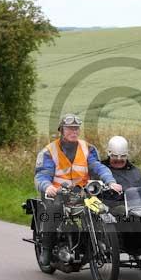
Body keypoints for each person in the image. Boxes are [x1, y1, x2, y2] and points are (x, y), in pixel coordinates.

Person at [34, 114, 122, 266]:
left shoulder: (87, 148)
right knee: (54, 211)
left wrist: (111, 181)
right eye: (70, 128)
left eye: (76, 128)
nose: (73, 131)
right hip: (57, 194)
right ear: (61, 130)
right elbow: (42, 175)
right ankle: (47, 249)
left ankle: (96, 243)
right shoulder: (50, 151)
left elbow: (98, 167)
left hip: (82, 193)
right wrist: (47, 187)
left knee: (101, 208)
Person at [99, 135, 141, 217]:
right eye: (115, 156)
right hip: (109, 213)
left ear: (127, 155)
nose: (119, 160)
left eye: (122, 156)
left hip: (136, 211)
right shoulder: (100, 170)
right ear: (109, 154)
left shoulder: (134, 171)